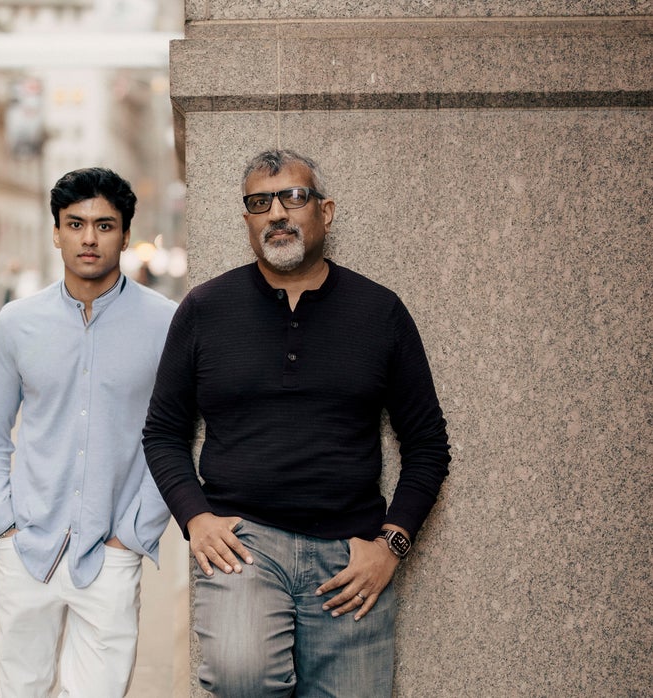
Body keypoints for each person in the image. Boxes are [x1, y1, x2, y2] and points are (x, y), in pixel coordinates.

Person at [142, 149, 451, 697]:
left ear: (325, 212)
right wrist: (196, 519)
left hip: (350, 552)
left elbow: (427, 443)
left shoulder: (379, 312)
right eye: (260, 202)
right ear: (247, 221)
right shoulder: (204, 309)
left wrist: (391, 544)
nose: (277, 213)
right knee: (241, 676)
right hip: (244, 544)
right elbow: (163, 433)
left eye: (294, 197)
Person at [0, 167, 177, 697]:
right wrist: (3, 524)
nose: (89, 238)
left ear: (126, 234)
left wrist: (133, 534)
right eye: (75, 223)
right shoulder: (16, 324)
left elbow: (178, 435)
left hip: (111, 551)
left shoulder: (167, 324)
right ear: (55, 231)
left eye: (105, 225)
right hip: (27, 549)